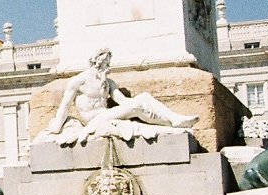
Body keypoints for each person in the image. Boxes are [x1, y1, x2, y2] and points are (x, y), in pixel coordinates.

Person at [47, 48, 197, 140]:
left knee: (144, 97)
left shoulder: (109, 82)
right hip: (92, 121)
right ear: (96, 61)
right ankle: (173, 122)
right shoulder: (78, 81)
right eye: (105, 63)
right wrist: (56, 128)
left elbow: (123, 101)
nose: (108, 66)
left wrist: (106, 84)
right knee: (138, 105)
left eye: (108, 63)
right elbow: (65, 106)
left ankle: (174, 121)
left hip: (106, 115)